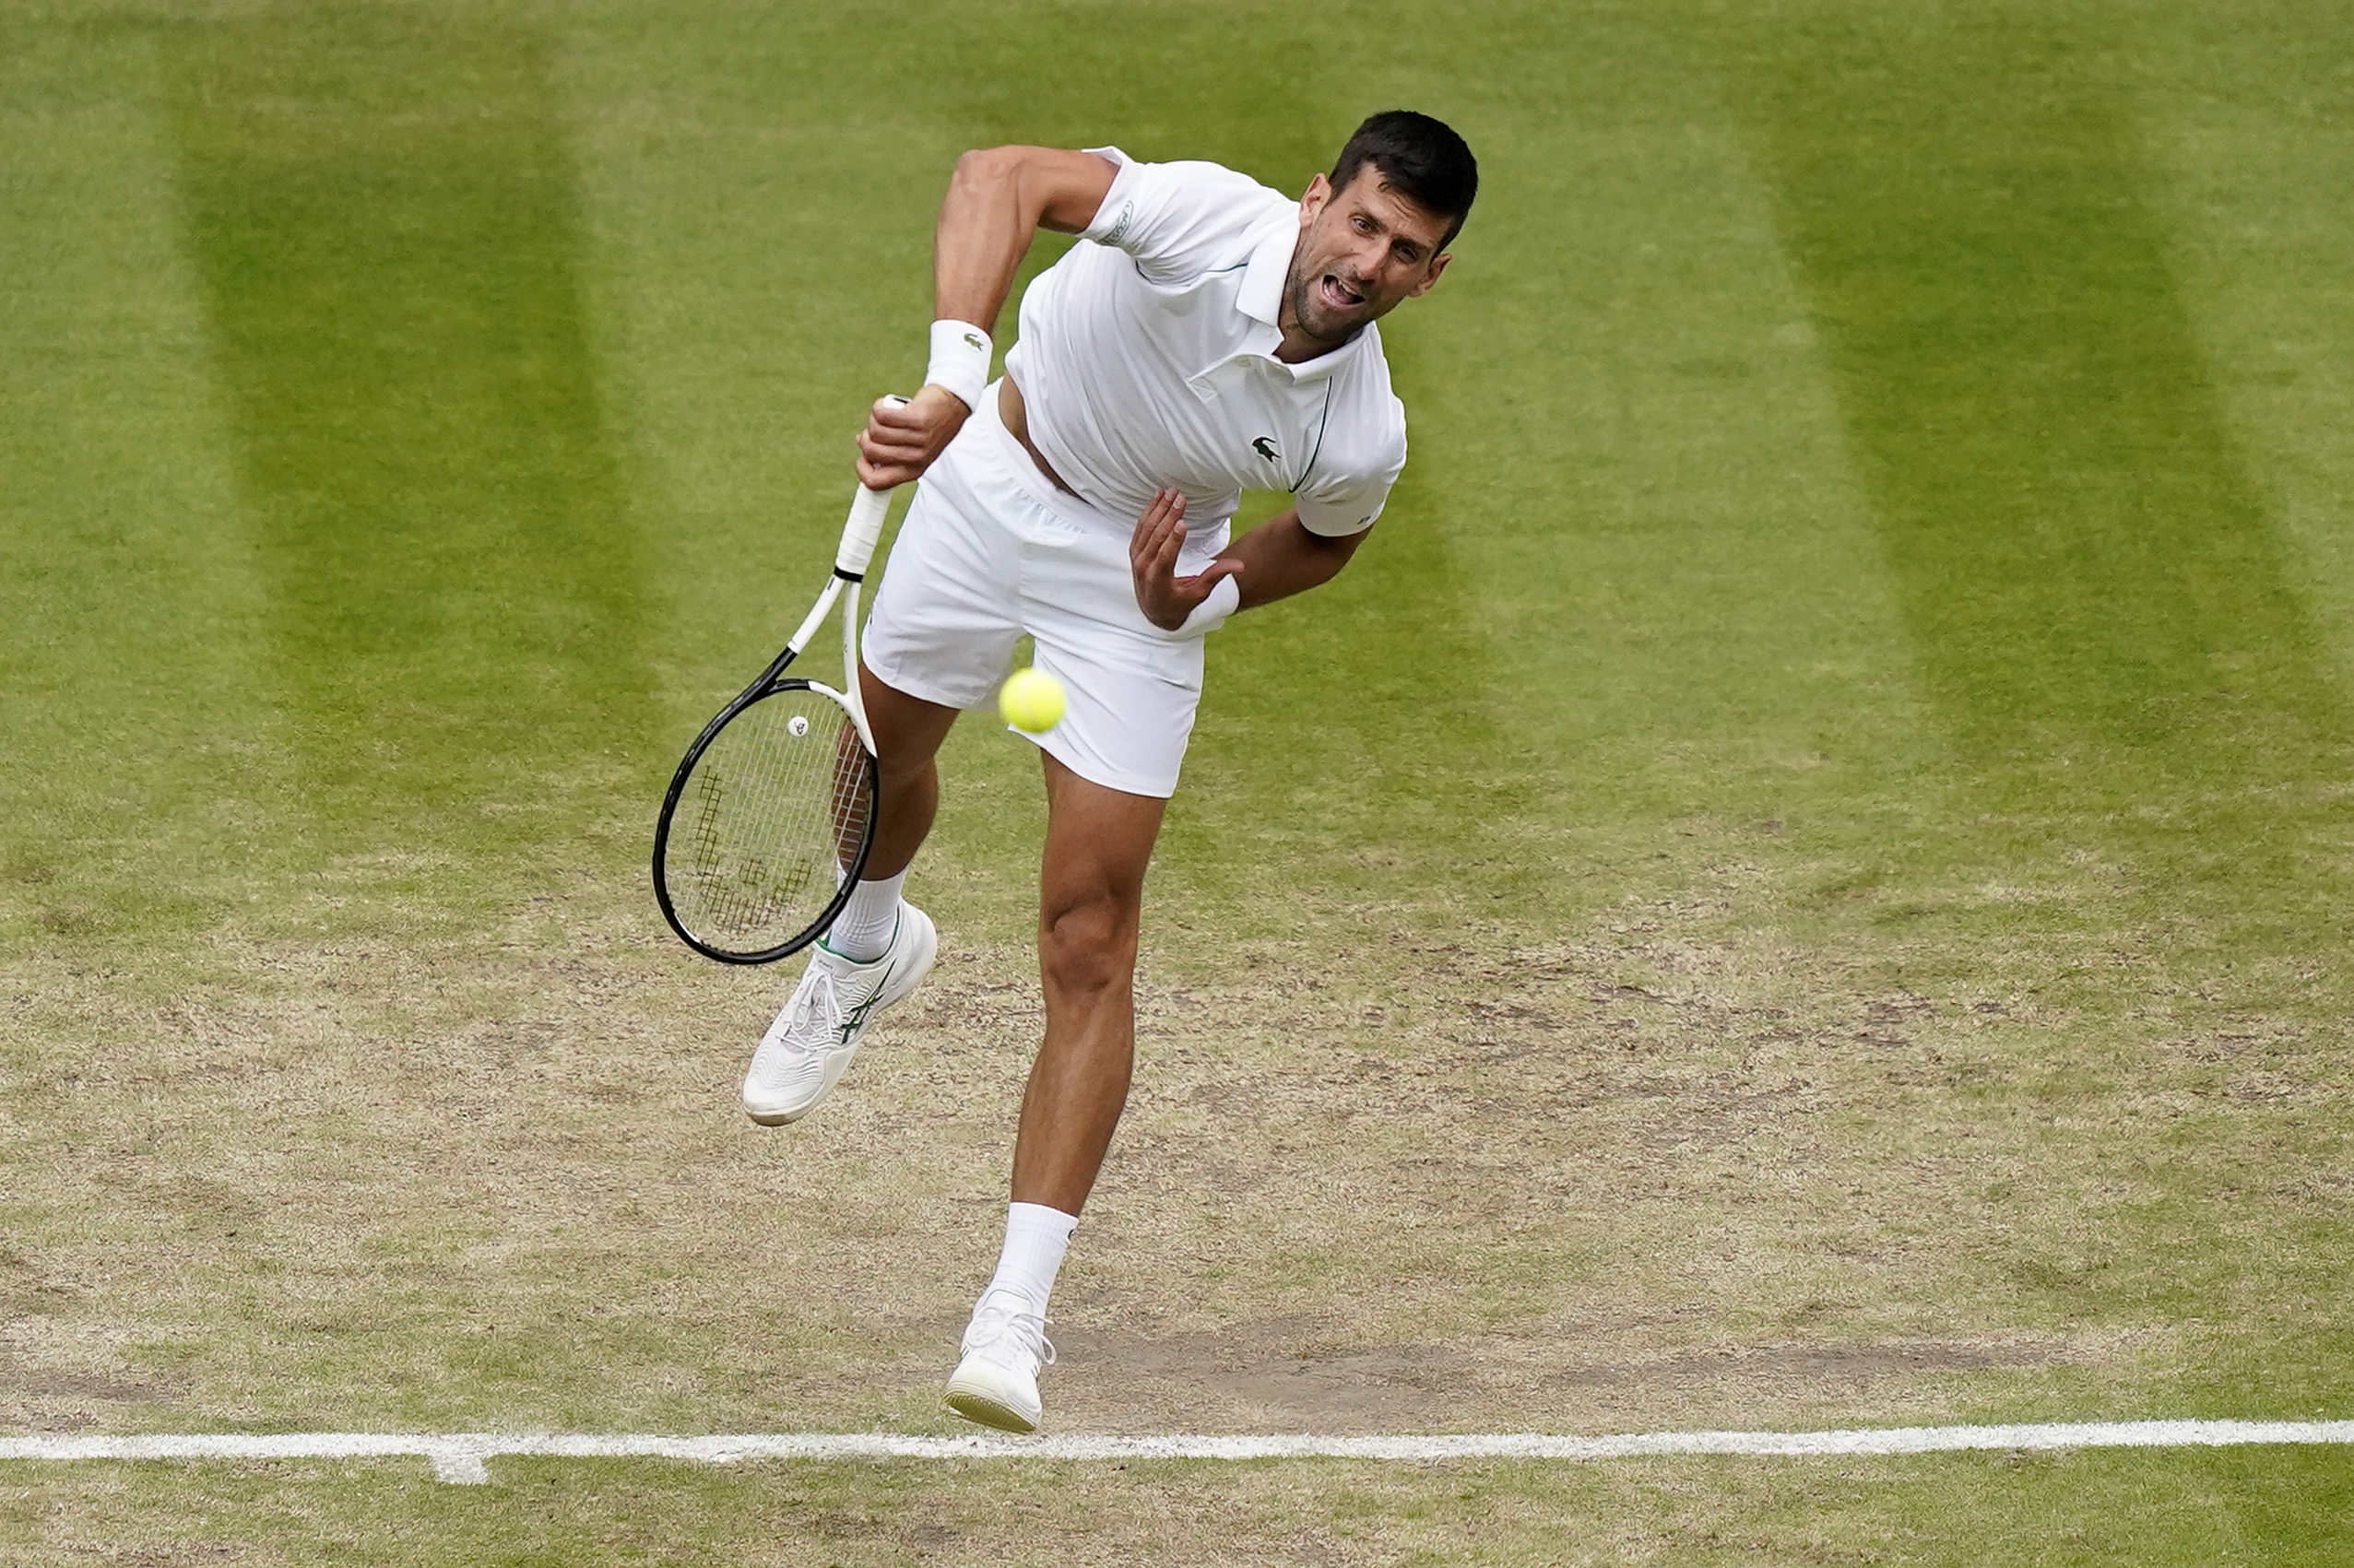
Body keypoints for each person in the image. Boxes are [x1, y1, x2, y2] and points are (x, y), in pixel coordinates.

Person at [740, 111, 1477, 1432]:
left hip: (1132, 583)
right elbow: (1000, 178)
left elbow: (1321, 540)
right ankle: (864, 946)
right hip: (988, 472)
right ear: (1317, 201)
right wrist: (953, 379)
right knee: (879, 755)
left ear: (1432, 276)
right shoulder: (1203, 217)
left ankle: (1011, 1319)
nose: (1368, 261)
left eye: (1405, 250)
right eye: (1360, 223)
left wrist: (1196, 598)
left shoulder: (1362, 430)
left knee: (1091, 933)